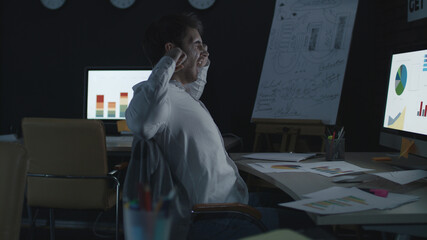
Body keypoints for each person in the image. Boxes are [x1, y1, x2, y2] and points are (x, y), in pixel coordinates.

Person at [125, 12, 316, 239]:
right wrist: (169, 60)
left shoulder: (178, 98)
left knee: (308, 205)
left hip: (233, 205)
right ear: (173, 51)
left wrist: (199, 64)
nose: (204, 52)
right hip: (220, 218)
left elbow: (192, 93)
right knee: (314, 220)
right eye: (196, 45)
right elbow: (143, 123)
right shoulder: (158, 100)